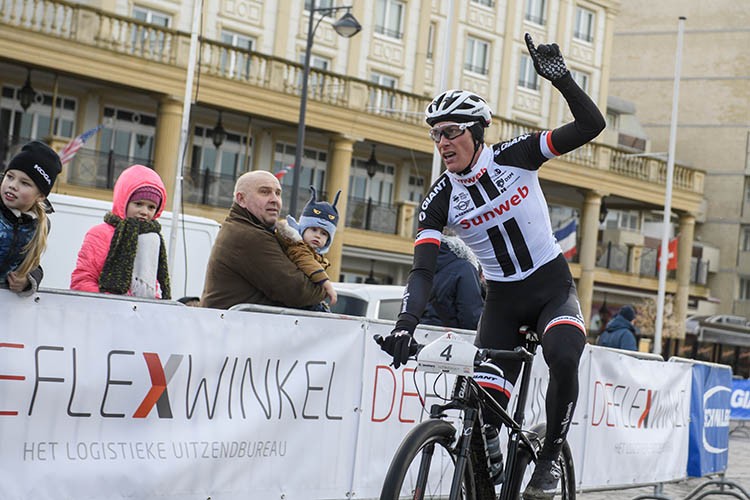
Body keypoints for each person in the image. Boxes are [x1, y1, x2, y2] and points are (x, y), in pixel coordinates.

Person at [378, 33, 606, 500]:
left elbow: (591, 124)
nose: (442, 142)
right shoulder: (440, 199)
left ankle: (547, 461)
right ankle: (488, 469)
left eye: (451, 131)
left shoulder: (515, 155)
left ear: (476, 131)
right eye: (435, 133)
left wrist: (561, 79)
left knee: (563, 354)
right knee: (482, 414)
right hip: (501, 302)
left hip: (549, 287)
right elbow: (422, 271)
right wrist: (405, 324)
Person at [200, 170, 327, 310]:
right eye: (265, 192)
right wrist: (324, 287)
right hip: (238, 329)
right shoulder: (248, 236)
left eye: (278, 193)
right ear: (241, 199)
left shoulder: (245, 228)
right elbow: (298, 291)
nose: (274, 199)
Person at [70, 164, 171, 299]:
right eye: (138, 204)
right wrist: (114, 301)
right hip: (102, 313)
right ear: (124, 200)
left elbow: (153, 287)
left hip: (140, 316)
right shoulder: (99, 234)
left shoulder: (152, 239)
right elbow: (81, 281)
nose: (144, 212)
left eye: (151, 207)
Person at [0, 140, 61, 296]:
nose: (13, 185)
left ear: (40, 196)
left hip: (6, 307)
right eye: (10, 176)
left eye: (25, 183)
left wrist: (27, 281)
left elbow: (33, 265)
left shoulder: (40, 225)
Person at [275, 186, 341, 311]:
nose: (318, 235)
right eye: (313, 229)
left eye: (324, 233)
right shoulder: (297, 246)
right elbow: (306, 262)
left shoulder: (316, 254)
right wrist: (327, 284)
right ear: (302, 228)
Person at [420, 234, 484, 330]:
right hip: (449, 339)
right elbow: (470, 316)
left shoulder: (422, 267)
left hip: (419, 335)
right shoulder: (465, 268)